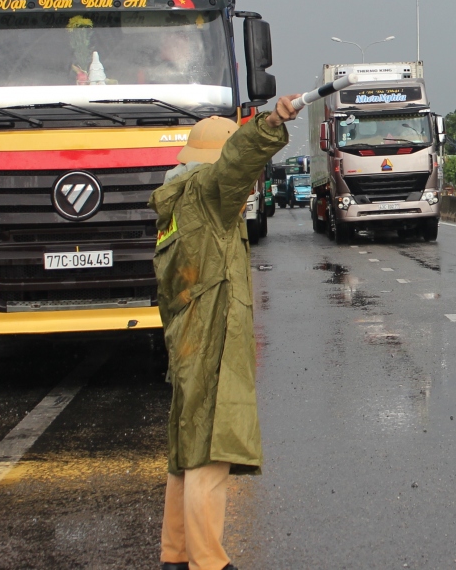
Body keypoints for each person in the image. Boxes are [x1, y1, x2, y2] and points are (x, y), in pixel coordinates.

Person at [151, 94, 301, 570]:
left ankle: (175, 555)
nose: (248, 187)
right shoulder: (208, 194)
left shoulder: (176, 205)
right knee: (209, 455)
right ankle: (208, 561)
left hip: (187, 334)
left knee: (187, 447)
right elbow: (237, 162)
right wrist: (273, 121)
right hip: (210, 334)